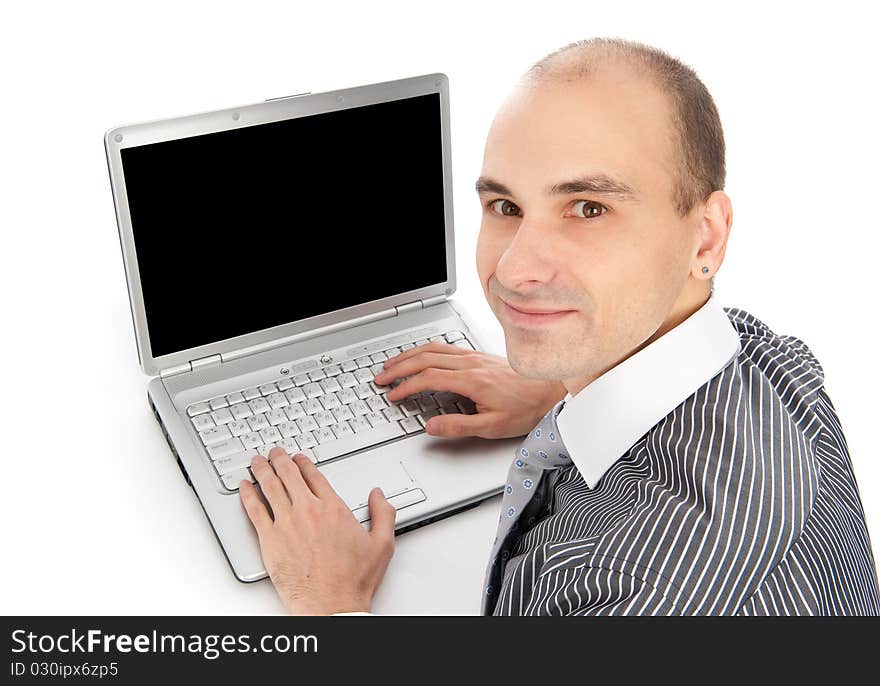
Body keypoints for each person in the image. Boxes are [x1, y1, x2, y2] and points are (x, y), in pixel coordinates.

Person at [238, 38, 880, 615]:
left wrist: (331, 603)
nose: (515, 270)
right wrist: (566, 390)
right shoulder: (773, 360)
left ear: (704, 236)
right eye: (505, 205)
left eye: (588, 207)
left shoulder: (641, 591)